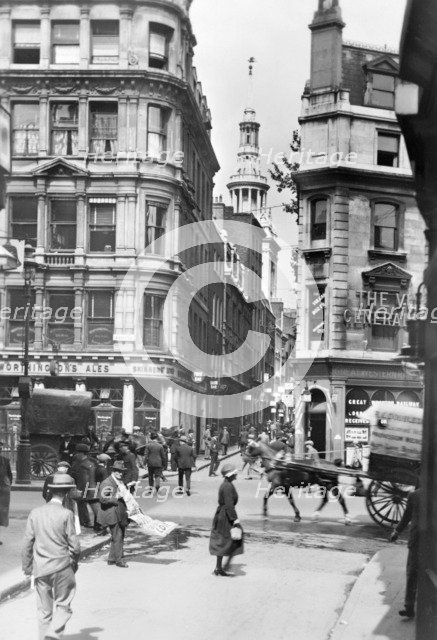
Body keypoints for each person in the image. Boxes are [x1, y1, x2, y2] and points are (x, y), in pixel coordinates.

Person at [22, 473, 80, 640]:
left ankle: (45, 636)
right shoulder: (66, 514)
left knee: (44, 612)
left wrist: (27, 567)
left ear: (51, 491)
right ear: (67, 493)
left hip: (41, 568)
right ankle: (53, 634)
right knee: (63, 606)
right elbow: (75, 546)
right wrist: (73, 564)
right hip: (62, 567)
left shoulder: (35, 512)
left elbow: (27, 542)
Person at [390, 487, 421, 618]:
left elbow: (406, 516)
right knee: (414, 573)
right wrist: (397, 531)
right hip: (421, 541)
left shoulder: (414, 495)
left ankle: (410, 607)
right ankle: (409, 607)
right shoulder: (414, 495)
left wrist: (396, 532)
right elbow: (407, 516)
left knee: (413, 573)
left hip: (421, 540)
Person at [209, 462, 244, 576]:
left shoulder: (226, 484)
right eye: (234, 473)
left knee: (223, 540)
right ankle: (223, 566)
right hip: (225, 516)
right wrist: (235, 520)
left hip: (223, 514)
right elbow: (229, 505)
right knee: (234, 539)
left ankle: (219, 567)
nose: (236, 475)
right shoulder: (228, 486)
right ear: (230, 475)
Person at [98, 460, 129, 568]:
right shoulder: (107, 482)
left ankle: (111, 559)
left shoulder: (119, 481)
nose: (121, 474)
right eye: (119, 472)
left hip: (119, 512)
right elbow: (102, 499)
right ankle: (119, 560)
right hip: (111, 513)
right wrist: (117, 497)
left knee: (118, 535)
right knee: (118, 536)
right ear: (114, 471)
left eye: (122, 472)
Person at [311, 459, 351, 525]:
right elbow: (335, 480)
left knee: (325, 500)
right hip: (330, 485)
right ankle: (347, 517)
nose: (343, 465)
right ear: (340, 464)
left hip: (323, 484)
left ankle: (315, 514)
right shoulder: (335, 470)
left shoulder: (333, 468)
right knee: (341, 500)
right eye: (342, 464)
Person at [70, 444, 98, 530]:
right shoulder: (92, 462)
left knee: (84, 506)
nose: (76, 455)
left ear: (82, 453)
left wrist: (79, 490)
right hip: (92, 489)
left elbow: (80, 478)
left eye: (78, 453)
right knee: (93, 508)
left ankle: (87, 523)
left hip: (85, 489)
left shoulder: (80, 465)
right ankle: (97, 525)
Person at [0, 441, 12, 544]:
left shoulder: (5, 460)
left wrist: (8, 485)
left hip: (3, 490)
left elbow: (9, 474)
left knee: (1, 513)